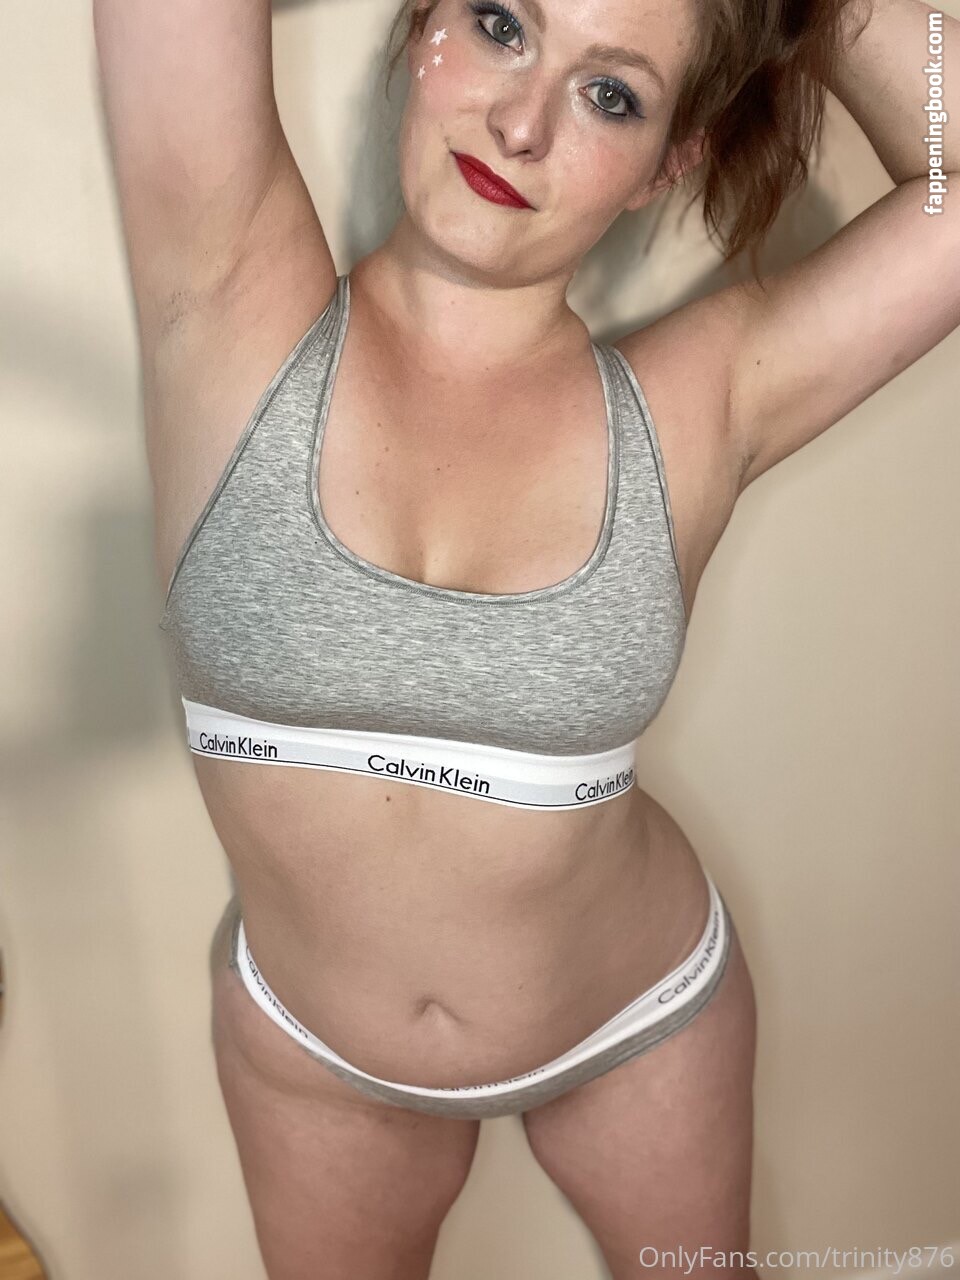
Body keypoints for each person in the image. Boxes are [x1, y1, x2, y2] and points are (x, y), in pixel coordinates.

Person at [93, 0, 958, 1273]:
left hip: (639, 1018)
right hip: (315, 1058)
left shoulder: (702, 400)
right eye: (501, 24)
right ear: (420, 26)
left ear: (668, 160)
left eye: (612, 95)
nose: (521, 122)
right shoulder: (224, 294)